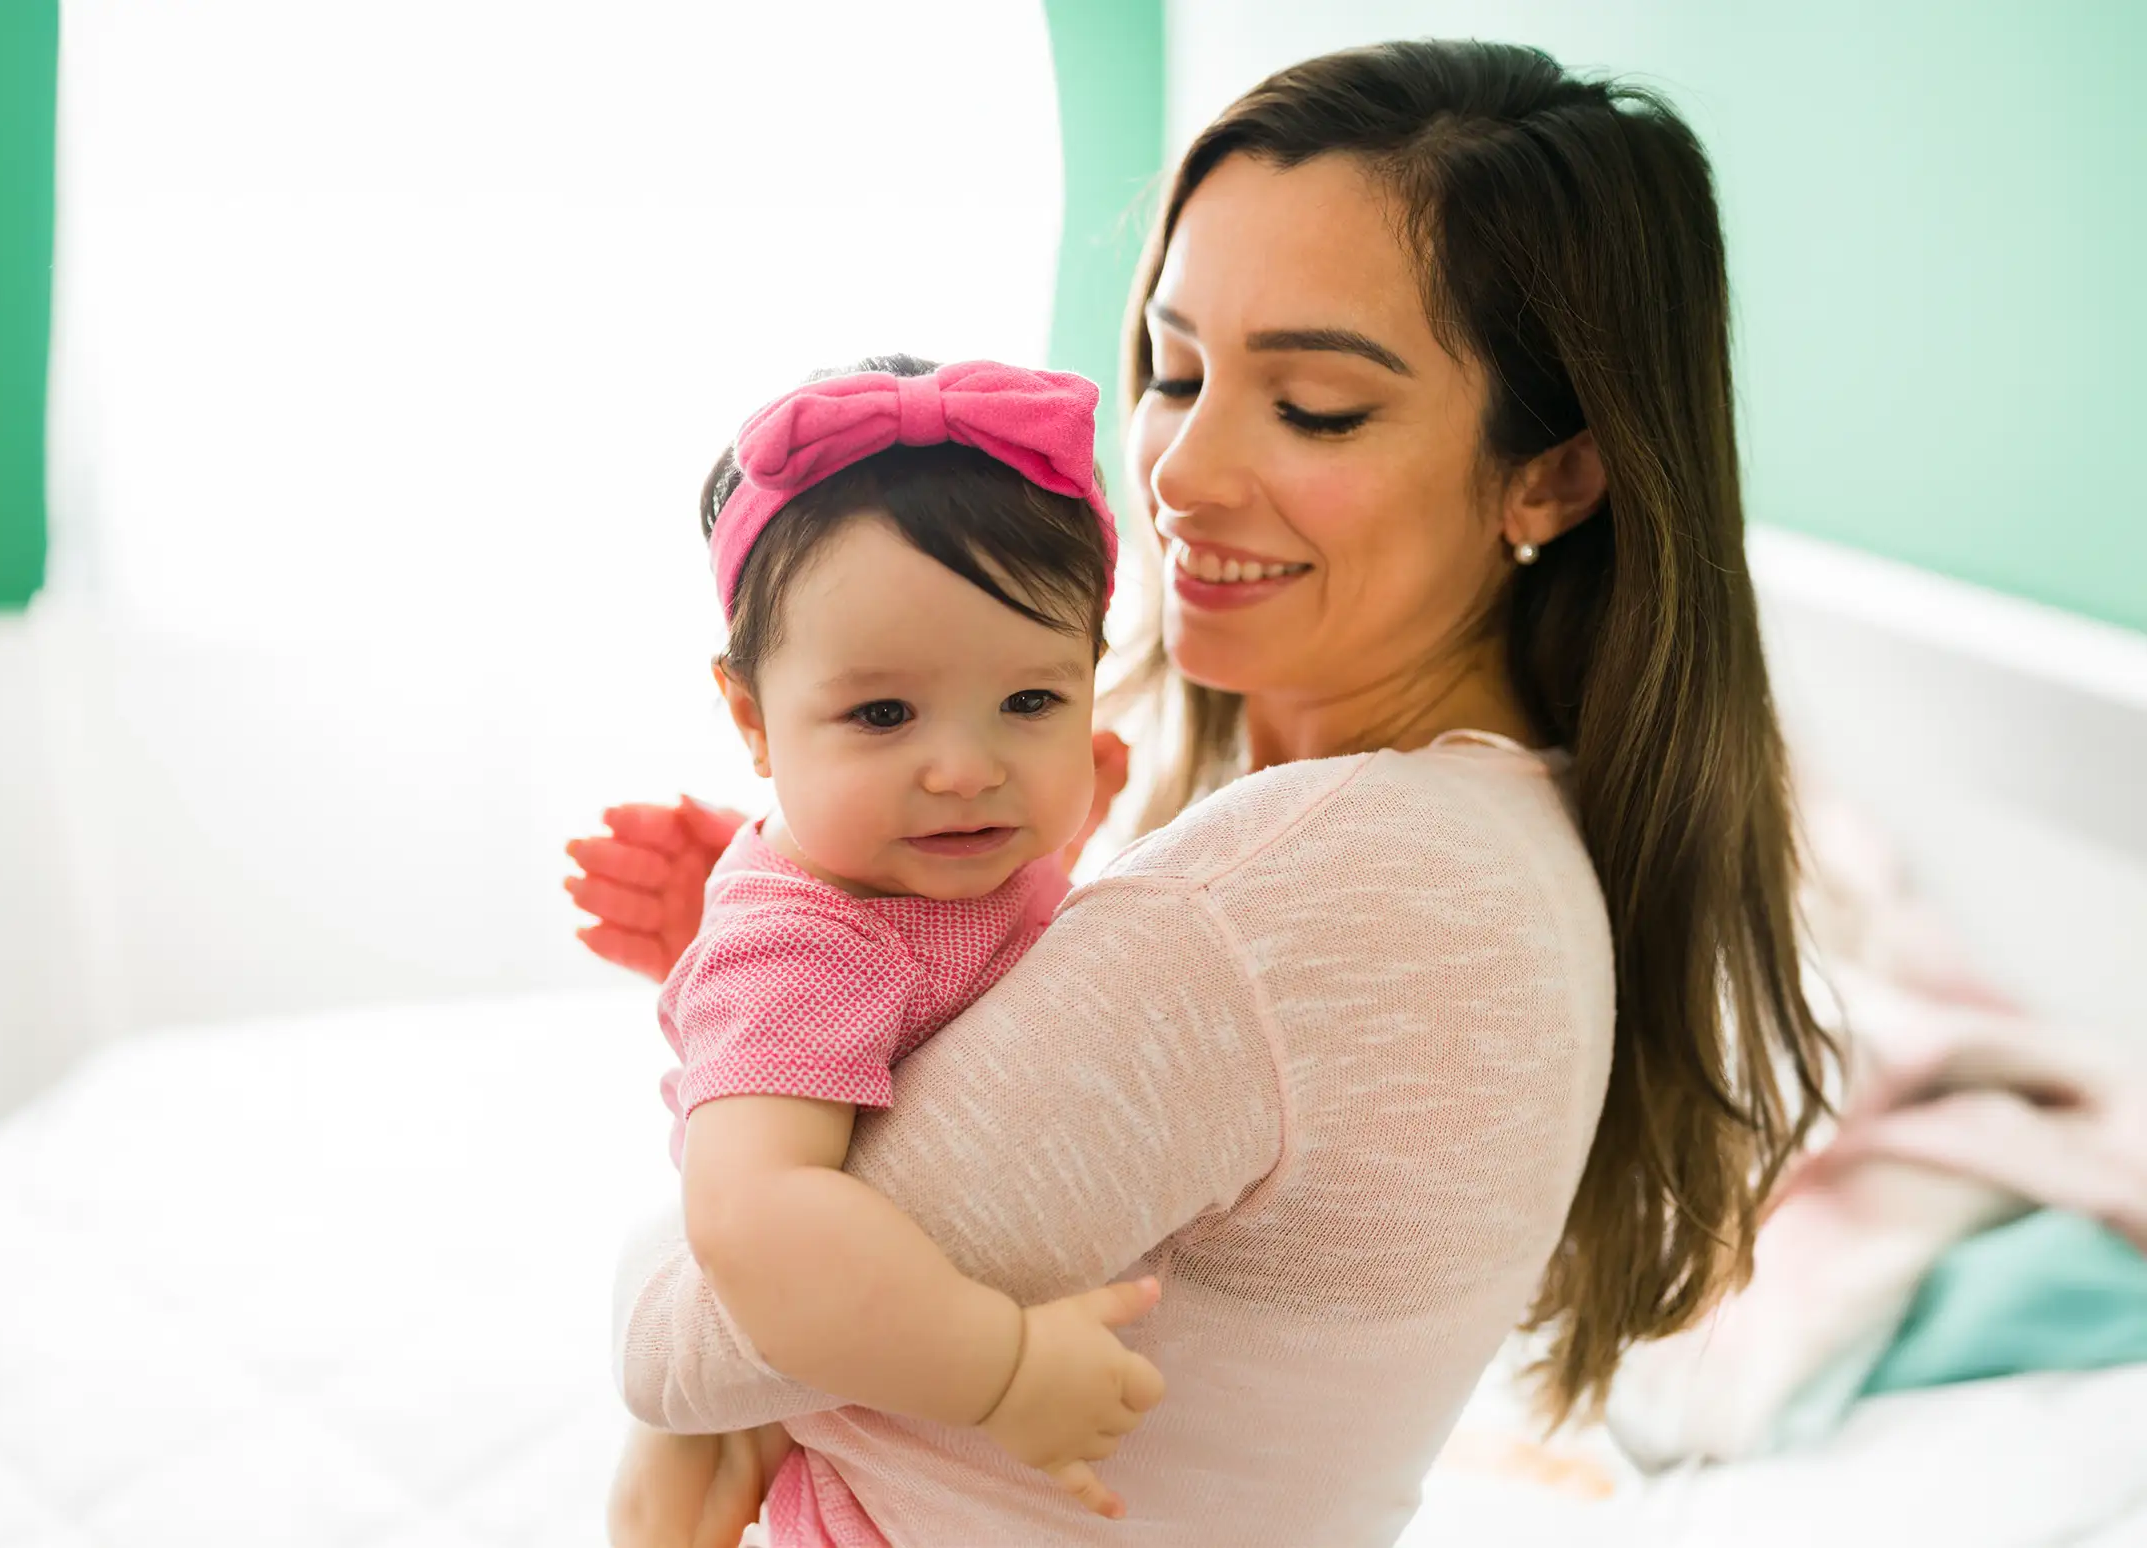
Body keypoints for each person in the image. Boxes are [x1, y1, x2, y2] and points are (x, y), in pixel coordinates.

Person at [572, 39, 1834, 1546]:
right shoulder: (1481, 830)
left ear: (1553, 476)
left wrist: (750, 1014)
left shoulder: (1316, 889)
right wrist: (829, 947)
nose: (1179, 473)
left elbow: (688, 1335)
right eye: (1174, 370)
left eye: (1315, 408)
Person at [596, 354, 1158, 1548]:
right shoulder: (807, 942)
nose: (966, 769)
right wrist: (1000, 1371)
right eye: (883, 715)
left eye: (1030, 703)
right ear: (750, 721)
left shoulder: (944, 858)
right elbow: (754, 1217)